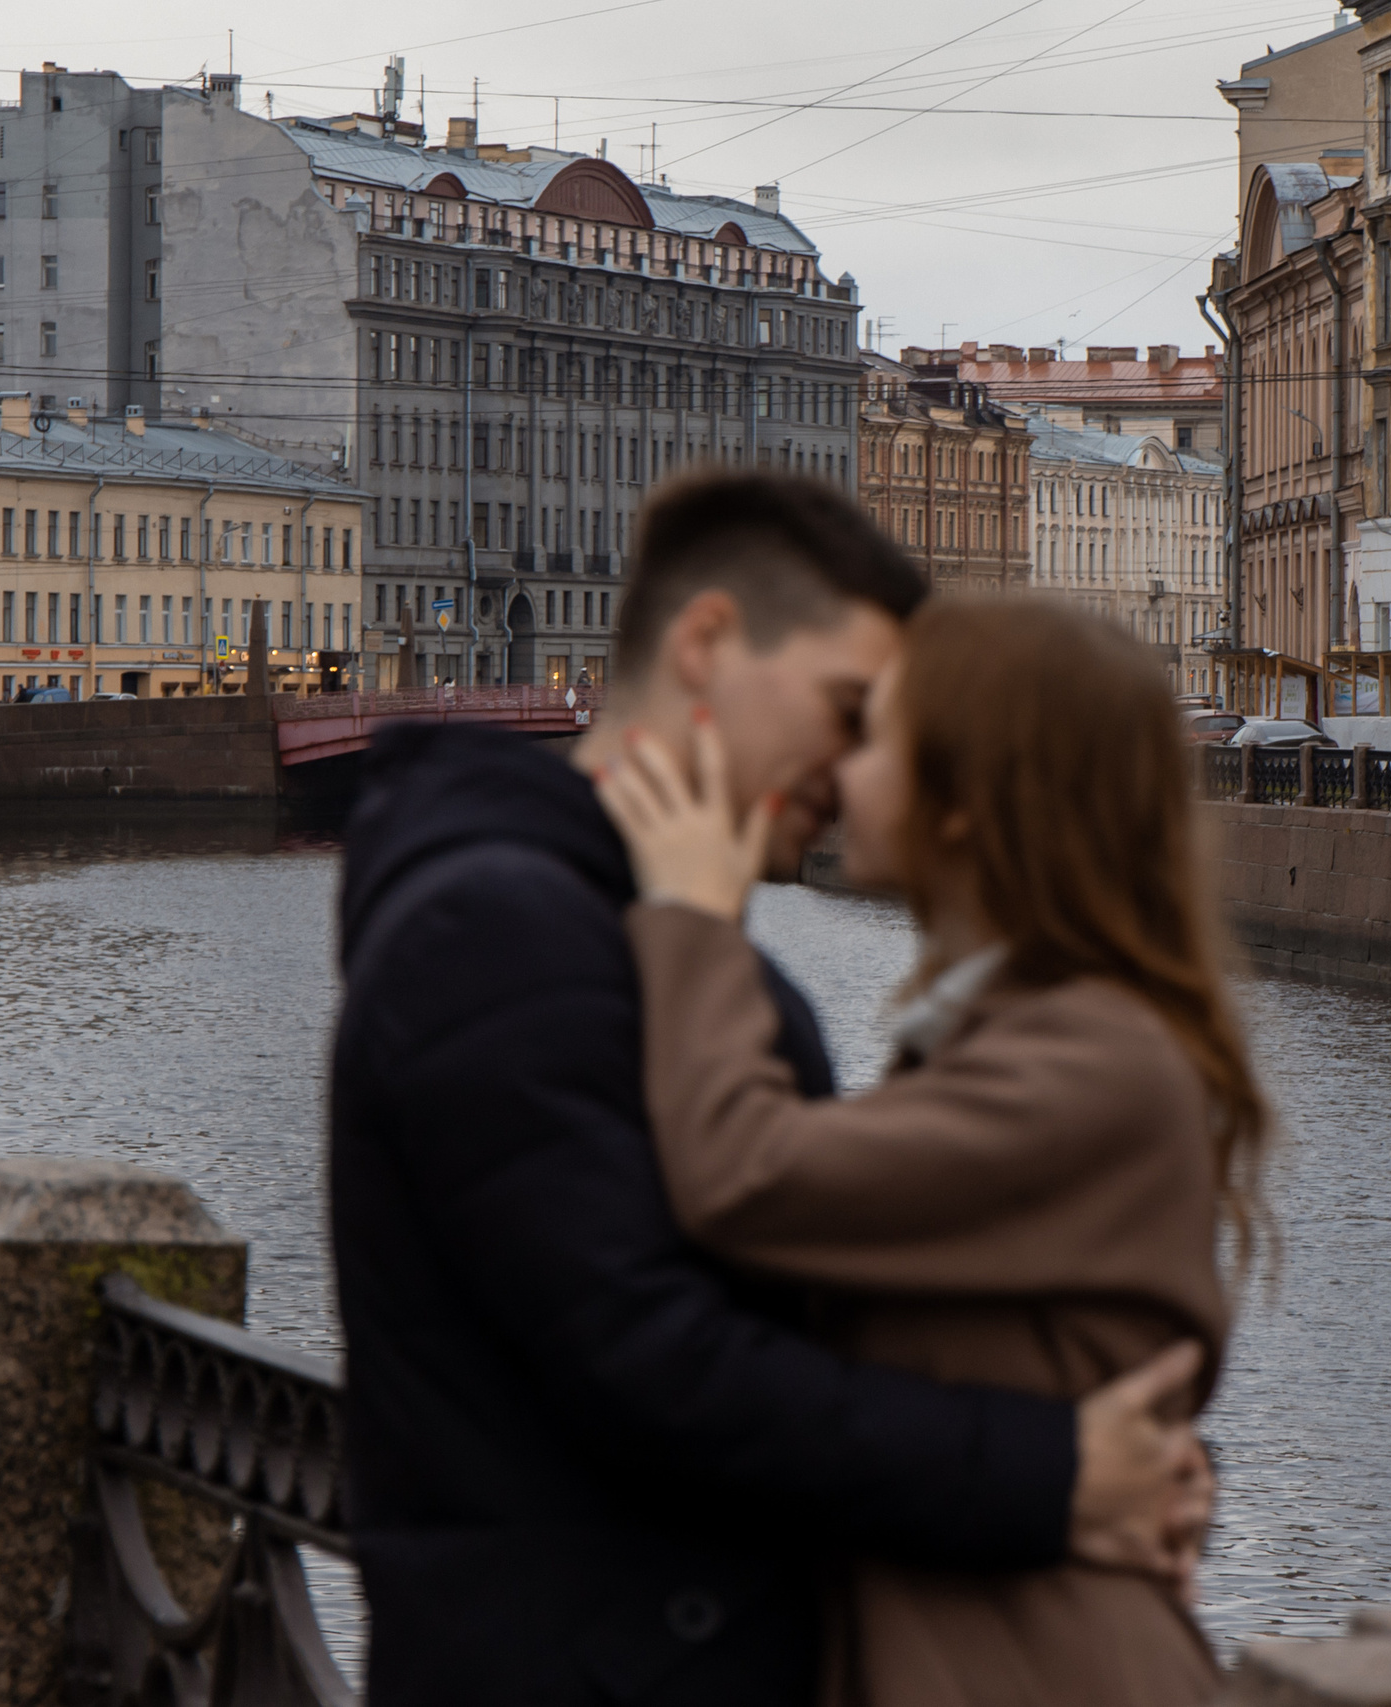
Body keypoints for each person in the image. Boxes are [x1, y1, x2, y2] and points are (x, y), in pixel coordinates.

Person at [330, 473, 1213, 1707]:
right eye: (849, 708)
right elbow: (656, 1366)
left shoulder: (667, 941)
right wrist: (1052, 1470)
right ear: (708, 646)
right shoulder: (502, 932)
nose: (856, 768)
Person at [596, 598, 1269, 1706]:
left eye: (874, 734)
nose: (839, 759)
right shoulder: (1022, 1037)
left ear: (967, 795)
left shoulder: (1088, 1063)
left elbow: (746, 1173)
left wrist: (694, 920)